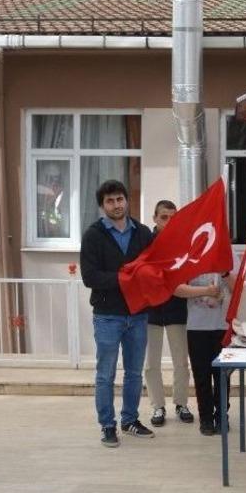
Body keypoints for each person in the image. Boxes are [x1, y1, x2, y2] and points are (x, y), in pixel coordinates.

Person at [80, 179, 156, 447]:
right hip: (107, 315)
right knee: (106, 374)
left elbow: (156, 266)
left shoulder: (144, 233)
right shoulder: (93, 235)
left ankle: (130, 420)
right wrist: (124, 279)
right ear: (103, 206)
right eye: (110, 201)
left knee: (135, 372)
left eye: (120, 199)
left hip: (138, 315)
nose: (116, 205)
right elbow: (90, 277)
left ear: (127, 200)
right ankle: (108, 425)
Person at [143, 200, 195, 427]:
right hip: (151, 309)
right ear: (155, 218)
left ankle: (181, 403)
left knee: (181, 361)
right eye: (164, 217)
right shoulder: (145, 242)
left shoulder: (183, 243)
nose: (169, 222)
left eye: (173, 217)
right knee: (151, 363)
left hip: (176, 307)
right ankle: (157, 407)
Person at [184, 258, 238, 436]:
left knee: (222, 375)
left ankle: (222, 415)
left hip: (221, 326)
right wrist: (205, 290)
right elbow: (177, 288)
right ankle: (205, 418)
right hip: (196, 326)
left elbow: (237, 286)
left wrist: (224, 273)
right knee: (201, 374)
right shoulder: (192, 252)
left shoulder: (227, 253)